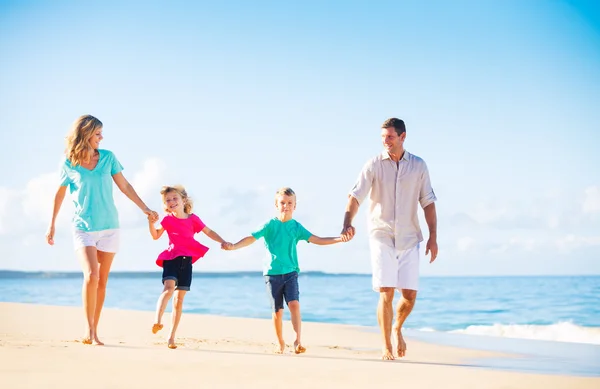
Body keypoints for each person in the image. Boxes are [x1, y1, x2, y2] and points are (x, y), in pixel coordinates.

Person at [46, 114, 158, 345]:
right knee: (91, 275)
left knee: (102, 281)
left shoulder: (108, 158)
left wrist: (145, 208)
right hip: (83, 226)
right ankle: (89, 331)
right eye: (97, 133)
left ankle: (95, 330)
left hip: (110, 227)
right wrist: (52, 224)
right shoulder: (69, 162)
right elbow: (59, 194)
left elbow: (125, 186)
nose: (101, 137)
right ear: (85, 134)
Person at [341, 118, 438, 361]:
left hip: (410, 237)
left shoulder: (418, 166)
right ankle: (386, 346)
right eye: (383, 137)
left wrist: (433, 237)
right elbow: (355, 196)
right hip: (381, 234)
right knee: (385, 291)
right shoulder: (373, 165)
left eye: (390, 137)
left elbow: (428, 202)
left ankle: (397, 328)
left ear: (403, 137)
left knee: (409, 295)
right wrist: (347, 222)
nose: (386, 141)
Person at [223, 187, 351, 354]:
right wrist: (233, 246)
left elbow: (317, 239)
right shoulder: (270, 225)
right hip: (272, 274)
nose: (286, 206)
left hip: (291, 272)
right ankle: (280, 342)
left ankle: (298, 341)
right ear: (276, 204)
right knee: (278, 311)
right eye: (282, 203)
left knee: (294, 304)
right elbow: (251, 238)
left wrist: (339, 239)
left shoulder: (296, 227)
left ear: (295, 206)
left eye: (290, 203)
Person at [148, 185, 230, 349]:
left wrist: (222, 241)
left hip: (186, 262)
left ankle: (171, 337)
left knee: (179, 301)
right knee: (168, 289)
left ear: (183, 200)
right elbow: (156, 235)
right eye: (168, 200)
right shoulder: (168, 220)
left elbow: (208, 231)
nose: (171, 202)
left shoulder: (193, 219)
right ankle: (157, 320)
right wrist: (151, 223)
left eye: (174, 198)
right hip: (171, 258)